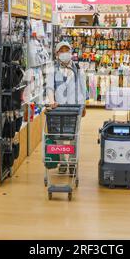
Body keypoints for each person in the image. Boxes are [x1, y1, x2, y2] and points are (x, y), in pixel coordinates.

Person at [46, 41, 87, 174]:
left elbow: (83, 88)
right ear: (57, 54)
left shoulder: (78, 69)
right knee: (59, 137)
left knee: (74, 137)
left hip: (75, 108)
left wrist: (84, 105)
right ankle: (63, 162)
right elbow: (50, 87)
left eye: (67, 50)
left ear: (70, 52)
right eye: (61, 51)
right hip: (59, 108)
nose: (64, 53)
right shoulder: (53, 69)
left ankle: (73, 163)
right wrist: (52, 101)